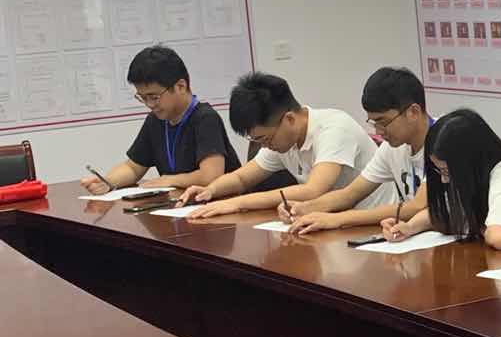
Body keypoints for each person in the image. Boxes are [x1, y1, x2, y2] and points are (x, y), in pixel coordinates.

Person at [180, 72, 381, 218]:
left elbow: (313, 190)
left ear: (289, 119)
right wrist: (210, 190)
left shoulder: (334, 129)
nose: (265, 146)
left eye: (265, 139)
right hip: (329, 221)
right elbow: (241, 178)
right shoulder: (282, 139)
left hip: (373, 224)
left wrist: (237, 203)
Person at [283, 67, 432, 235]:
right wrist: (305, 207)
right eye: (374, 123)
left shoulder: (445, 140)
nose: (378, 132)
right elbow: (350, 194)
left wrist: (338, 219)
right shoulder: (391, 148)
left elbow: (417, 207)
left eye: (383, 122)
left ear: (413, 112)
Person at [80, 46, 240, 194]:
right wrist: (108, 182)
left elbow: (211, 176)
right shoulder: (156, 120)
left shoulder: (205, 118)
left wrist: (169, 180)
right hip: (179, 204)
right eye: (143, 98)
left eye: (154, 97)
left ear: (180, 86)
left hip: (221, 204)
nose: (149, 104)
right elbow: (133, 168)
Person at [382, 108, 501, 249]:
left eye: (446, 171)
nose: (444, 180)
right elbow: (444, 211)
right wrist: (409, 227)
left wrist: (479, 226)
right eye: (440, 171)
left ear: (470, 162)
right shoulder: (478, 176)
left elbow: (498, 238)